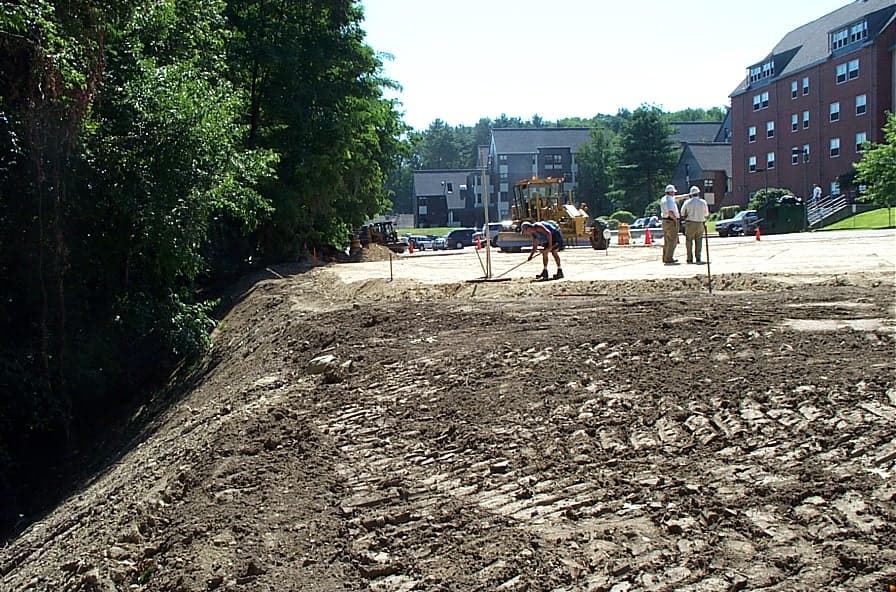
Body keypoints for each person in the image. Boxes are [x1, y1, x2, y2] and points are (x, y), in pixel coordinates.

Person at [680, 186, 710, 264]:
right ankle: (698, 258)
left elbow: (682, 213)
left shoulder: (687, 202)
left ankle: (689, 258)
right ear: (698, 193)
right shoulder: (703, 202)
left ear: (691, 194)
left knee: (689, 241)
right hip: (700, 223)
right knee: (699, 241)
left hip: (690, 223)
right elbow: (706, 214)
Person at [660, 184, 687, 265]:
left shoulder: (664, 199)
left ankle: (665, 257)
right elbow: (671, 212)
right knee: (672, 241)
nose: (674, 193)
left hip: (665, 221)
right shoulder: (670, 201)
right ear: (671, 192)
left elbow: (676, 198)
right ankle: (669, 258)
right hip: (671, 221)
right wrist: (675, 220)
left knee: (667, 241)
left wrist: (685, 196)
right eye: (673, 192)